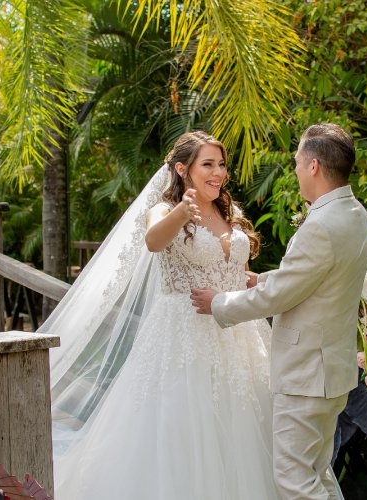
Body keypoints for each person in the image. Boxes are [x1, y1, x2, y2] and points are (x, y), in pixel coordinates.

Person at [38, 131, 280, 499]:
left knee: (243, 427)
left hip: (238, 333)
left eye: (222, 164)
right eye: (208, 164)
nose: (219, 173)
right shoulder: (165, 210)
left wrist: (254, 285)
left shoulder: (231, 212)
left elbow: (237, 270)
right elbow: (153, 241)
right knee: (184, 428)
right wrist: (184, 210)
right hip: (183, 334)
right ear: (183, 169)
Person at [191, 123, 367, 499]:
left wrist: (218, 303)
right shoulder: (356, 215)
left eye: (297, 161)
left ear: (314, 167)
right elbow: (318, 277)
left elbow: (279, 299)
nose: (294, 169)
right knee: (317, 474)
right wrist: (265, 279)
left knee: (294, 482)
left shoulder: (320, 225)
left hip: (306, 374)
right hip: (330, 371)